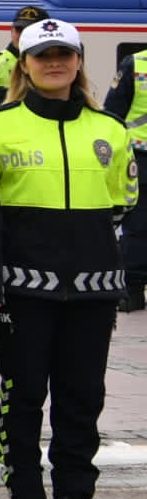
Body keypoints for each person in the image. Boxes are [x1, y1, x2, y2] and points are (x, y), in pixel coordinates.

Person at [0, 17, 135, 499]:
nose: (53, 63)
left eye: (63, 54)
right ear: (23, 64)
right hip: (23, 290)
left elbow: (121, 203)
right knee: (23, 396)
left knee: (82, 398)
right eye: (42, 55)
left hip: (92, 289)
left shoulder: (109, 129)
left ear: (78, 61)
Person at [103, 45, 147, 312]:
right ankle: (133, 288)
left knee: (138, 229)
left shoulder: (137, 63)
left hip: (140, 158)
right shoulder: (136, 64)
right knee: (138, 229)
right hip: (140, 157)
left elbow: (113, 112)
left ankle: (133, 290)